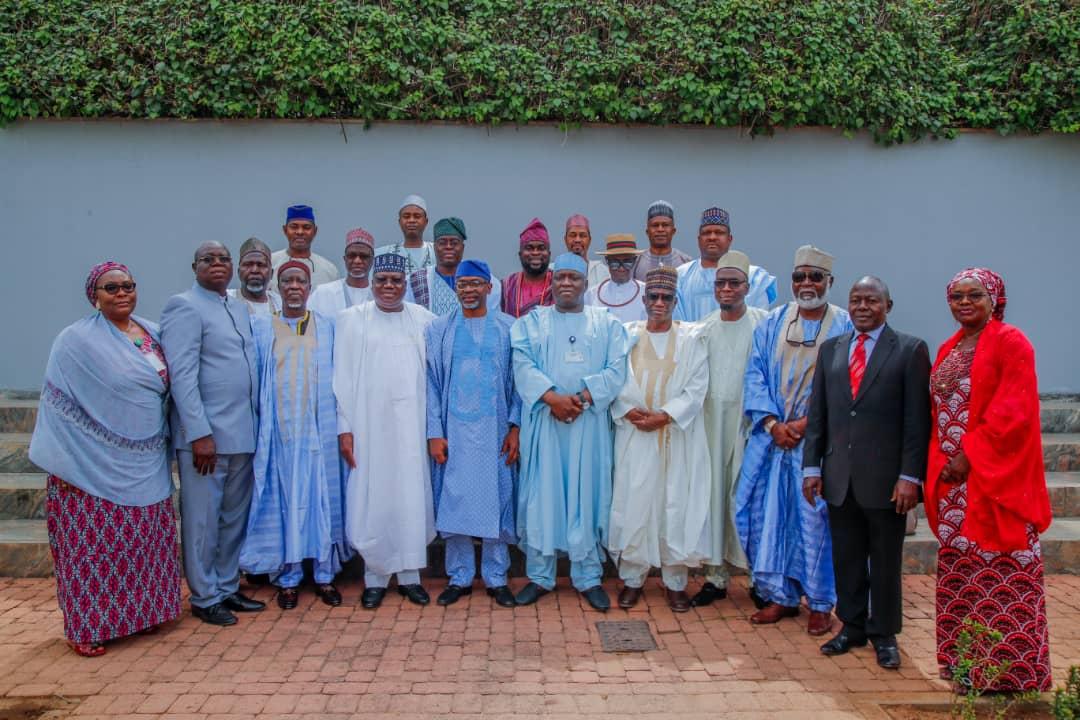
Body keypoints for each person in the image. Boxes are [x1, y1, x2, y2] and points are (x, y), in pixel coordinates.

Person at [30, 262, 181, 656]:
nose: (122, 293)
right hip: (90, 463)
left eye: (128, 285)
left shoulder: (153, 333)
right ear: (94, 296)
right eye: (111, 287)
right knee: (94, 550)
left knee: (142, 544)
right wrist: (63, 461)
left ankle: (142, 615)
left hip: (145, 458)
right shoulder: (75, 341)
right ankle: (87, 628)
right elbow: (57, 403)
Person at [925, 268, 1052, 691]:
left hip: (995, 480)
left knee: (1000, 569)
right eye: (956, 296)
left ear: (994, 299)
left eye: (974, 295)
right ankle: (965, 664)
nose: (964, 302)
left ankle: (1007, 673)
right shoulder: (950, 347)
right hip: (954, 485)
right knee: (963, 570)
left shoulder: (1011, 341)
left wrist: (970, 456)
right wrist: (944, 465)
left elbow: (1014, 409)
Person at [802, 277, 931, 669]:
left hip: (887, 482)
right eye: (856, 300)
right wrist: (812, 467)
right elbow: (819, 413)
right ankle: (852, 626)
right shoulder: (831, 350)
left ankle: (884, 634)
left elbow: (917, 422)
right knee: (847, 558)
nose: (862, 307)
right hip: (839, 478)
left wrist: (910, 477)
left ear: (887, 306)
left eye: (871, 300)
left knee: (885, 562)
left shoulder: (909, 349)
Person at [735, 245, 851, 636]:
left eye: (815, 277)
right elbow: (754, 374)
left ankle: (819, 602)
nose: (806, 284)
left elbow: (848, 386)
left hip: (819, 443)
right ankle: (780, 595)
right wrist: (772, 424)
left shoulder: (845, 326)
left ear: (829, 281)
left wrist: (803, 424)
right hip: (772, 441)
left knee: (814, 521)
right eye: (799, 276)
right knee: (763, 514)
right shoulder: (772, 322)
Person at [511, 253, 629, 611]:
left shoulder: (607, 324)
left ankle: (588, 577)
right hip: (546, 424)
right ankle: (539, 576)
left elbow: (617, 369)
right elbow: (522, 365)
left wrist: (581, 398)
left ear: (585, 284)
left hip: (587, 425)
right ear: (552, 282)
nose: (566, 283)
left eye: (573, 278)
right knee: (543, 497)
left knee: (586, 495)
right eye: (560, 277)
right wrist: (553, 399)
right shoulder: (532, 323)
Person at [161, 242, 265, 626]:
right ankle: (204, 596)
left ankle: (226, 585)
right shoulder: (184, 306)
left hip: (243, 433)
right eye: (208, 259)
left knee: (233, 518)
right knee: (202, 520)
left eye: (223, 259)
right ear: (195, 267)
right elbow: (182, 376)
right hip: (207, 440)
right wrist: (198, 433)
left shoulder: (236, 307)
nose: (217, 264)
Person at [240, 261, 350, 610]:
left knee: (321, 499)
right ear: (278, 286)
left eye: (300, 281)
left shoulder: (327, 326)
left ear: (309, 287)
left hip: (320, 434)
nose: (293, 286)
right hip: (281, 435)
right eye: (286, 280)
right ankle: (288, 577)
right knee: (285, 502)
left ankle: (324, 574)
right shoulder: (262, 328)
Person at [333, 252, 436, 609]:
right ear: (372, 283)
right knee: (373, 497)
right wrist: (344, 428)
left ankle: (410, 577)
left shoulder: (423, 320)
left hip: (412, 428)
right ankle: (375, 577)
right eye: (382, 280)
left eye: (396, 281)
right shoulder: (351, 320)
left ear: (406, 284)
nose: (389, 287)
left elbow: (433, 379)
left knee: (410, 497)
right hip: (368, 428)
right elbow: (341, 378)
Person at [608, 266, 711, 612]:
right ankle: (632, 579)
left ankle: (675, 582)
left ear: (676, 301)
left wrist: (665, 415)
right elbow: (614, 377)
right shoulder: (626, 335)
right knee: (635, 502)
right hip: (636, 434)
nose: (659, 303)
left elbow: (697, 386)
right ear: (644, 298)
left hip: (674, 436)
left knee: (674, 505)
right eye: (654, 296)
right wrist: (629, 410)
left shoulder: (691, 339)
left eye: (667, 297)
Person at [425, 260, 521, 608]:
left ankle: (497, 578)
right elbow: (431, 384)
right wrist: (434, 432)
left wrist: (515, 427)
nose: (468, 290)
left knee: (498, 499)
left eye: (475, 284)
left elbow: (519, 382)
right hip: (455, 435)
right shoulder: (439, 330)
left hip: (495, 434)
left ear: (488, 288)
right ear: (456, 288)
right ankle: (460, 577)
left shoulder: (509, 328)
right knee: (455, 502)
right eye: (462, 284)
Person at [691, 251, 769, 607]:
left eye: (733, 283)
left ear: (747, 287)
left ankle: (758, 579)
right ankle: (715, 577)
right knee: (714, 499)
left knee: (752, 499)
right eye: (720, 283)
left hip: (751, 426)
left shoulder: (764, 325)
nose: (726, 289)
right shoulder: (703, 329)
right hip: (710, 426)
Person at [675, 208, 776, 320]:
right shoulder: (680, 276)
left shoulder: (754, 277)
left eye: (719, 232)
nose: (712, 237)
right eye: (706, 233)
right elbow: (675, 323)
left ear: (729, 239)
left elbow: (759, 322)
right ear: (699, 239)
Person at [407, 217, 502, 315]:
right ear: (434, 247)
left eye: (454, 243)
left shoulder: (485, 280)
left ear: (462, 247)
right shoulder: (415, 281)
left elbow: (492, 317)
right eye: (442, 243)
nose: (448, 247)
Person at [307, 228, 375, 322]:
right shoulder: (323, 293)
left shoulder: (380, 294)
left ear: (372, 260)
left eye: (363, 256)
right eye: (352, 255)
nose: (357, 261)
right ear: (344, 259)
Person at [584, 234, 647, 323]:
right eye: (615, 262)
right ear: (607, 261)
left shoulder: (647, 292)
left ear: (634, 261)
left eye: (627, 262)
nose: (621, 268)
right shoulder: (592, 295)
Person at [271, 205, 340, 286]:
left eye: (306, 227)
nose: (300, 232)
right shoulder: (269, 263)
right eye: (294, 227)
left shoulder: (329, 270)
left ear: (315, 231)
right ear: (285, 230)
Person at [501, 218, 554, 317]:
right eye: (529, 248)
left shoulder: (559, 284)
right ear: (520, 254)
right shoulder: (506, 287)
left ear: (549, 254)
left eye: (541, 248)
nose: (535, 253)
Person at [631, 201, 692, 281]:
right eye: (655, 225)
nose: (660, 229)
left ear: (673, 231)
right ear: (647, 232)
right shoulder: (635, 263)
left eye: (665, 225)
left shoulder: (686, 262)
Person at [375, 194, 436, 275]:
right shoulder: (384, 253)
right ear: (400, 222)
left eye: (417, 216)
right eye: (406, 216)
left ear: (426, 221)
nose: (411, 220)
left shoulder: (437, 251)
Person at [227, 237, 280, 316]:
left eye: (261, 265)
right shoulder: (225, 300)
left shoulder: (280, 304)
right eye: (248, 264)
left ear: (271, 273)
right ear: (238, 272)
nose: (254, 270)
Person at [563, 214, 610, 287]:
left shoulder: (602, 271)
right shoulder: (553, 270)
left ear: (589, 240)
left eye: (582, 235)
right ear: (565, 240)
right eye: (572, 235)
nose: (577, 240)